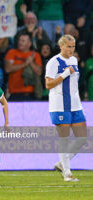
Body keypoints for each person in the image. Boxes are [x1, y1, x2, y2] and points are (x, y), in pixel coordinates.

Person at [45, 35, 87, 182]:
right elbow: (48, 85)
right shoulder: (54, 62)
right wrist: (64, 74)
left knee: (82, 138)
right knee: (64, 138)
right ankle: (67, 173)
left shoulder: (74, 60)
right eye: (68, 46)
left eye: (73, 46)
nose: (71, 49)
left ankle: (62, 163)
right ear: (61, 46)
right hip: (60, 105)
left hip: (75, 104)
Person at [5, 33, 42, 101]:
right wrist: (25, 63)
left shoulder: (35, 55)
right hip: (14, 93)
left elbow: (39, 72)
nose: (20, 42)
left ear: (29, 44)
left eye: (23, 41)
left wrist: (31, 62)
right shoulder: (11, 52)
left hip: (30, 94)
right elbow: (8, 69)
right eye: (19, 40)